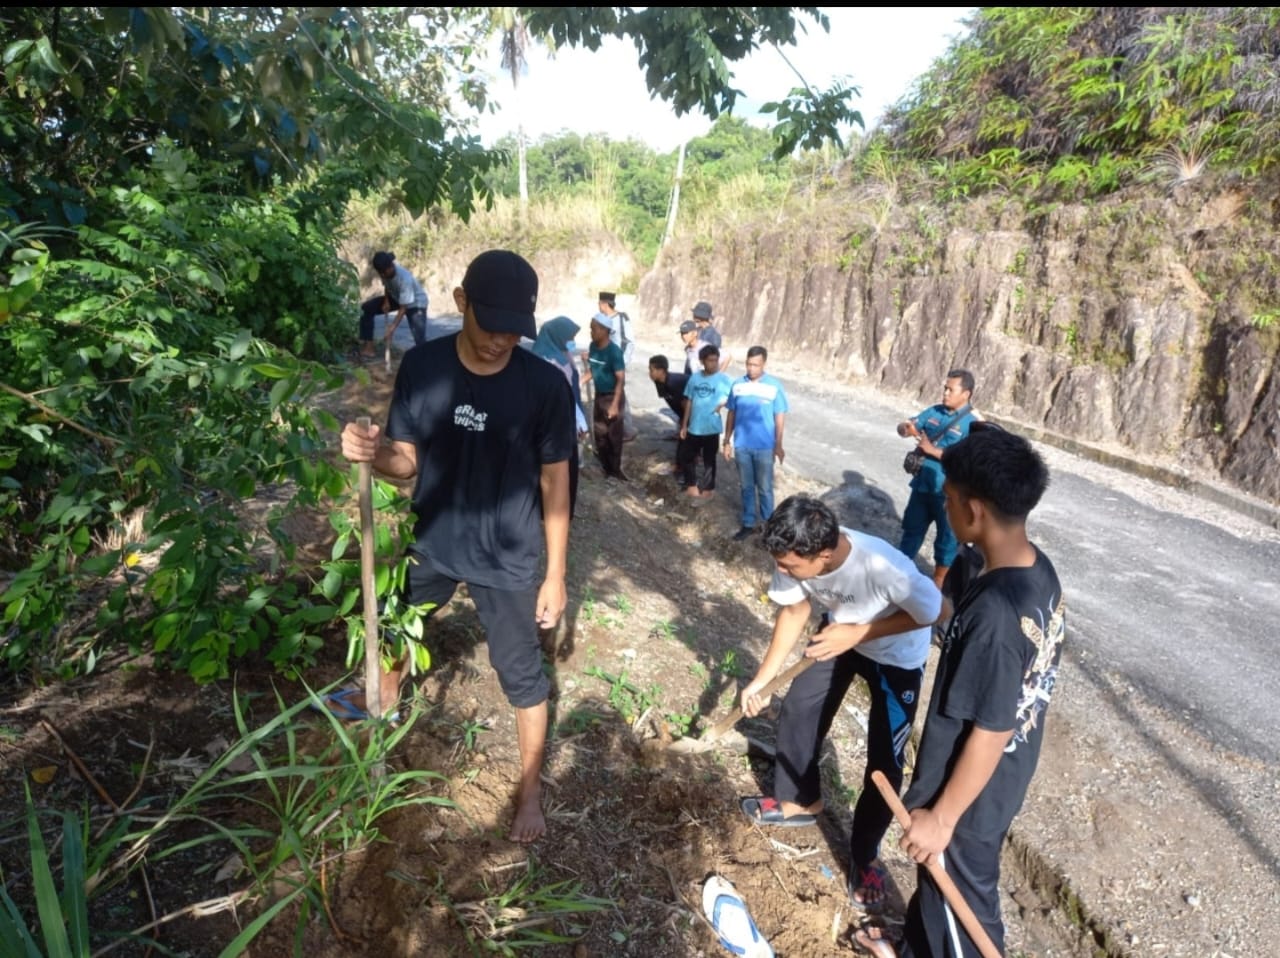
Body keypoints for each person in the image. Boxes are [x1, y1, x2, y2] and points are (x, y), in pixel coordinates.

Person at [338, 249, 573, 844]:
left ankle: (529, 793)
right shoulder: (424, 367)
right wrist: (373, 454)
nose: (500, 341)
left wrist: (556, 574)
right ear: (461, 302)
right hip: (434, 539)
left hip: (508, 558)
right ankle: (383, 698)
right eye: (490, 326)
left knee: (523, 677)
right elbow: (405, 461)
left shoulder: (544, 386)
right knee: (393, 626)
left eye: (513, 331)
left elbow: (556, 481)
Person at [852, 425, 1063, 958]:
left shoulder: (993, 616)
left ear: (974, 510)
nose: (944, 510)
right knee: (937, 890)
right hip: (999, 776)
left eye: (947, 500)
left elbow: (992, 732)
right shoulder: (1037, 570)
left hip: (968, 792)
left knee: (964, 902)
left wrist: (942, 818)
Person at [739, 495, 941, 915]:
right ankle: (799, 801)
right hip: (839, 637)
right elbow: (795, 611)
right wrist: (763, 679)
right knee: (799, 707)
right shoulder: (792, 556)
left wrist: (860, 633)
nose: (782, 570)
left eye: (791, 566)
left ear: (825, 554)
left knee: (885, 760)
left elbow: (935, 611)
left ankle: (865, 855)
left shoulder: (885, 567)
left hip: (896, 656)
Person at [897, 370, 978, 589]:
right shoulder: (934, 412)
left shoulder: (972, 425)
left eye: (951, 389)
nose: (945, 393)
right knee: (910, 532)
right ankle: (898, 578)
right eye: (945, 388)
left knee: (947, 543)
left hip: (949, 496)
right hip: (922, 488)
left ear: (966, 394)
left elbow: (968, 460)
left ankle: (938, 586)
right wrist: (906, 428)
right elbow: (908, 426)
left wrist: (932, 451)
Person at [724, 345, 789, 541]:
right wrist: (727, 440)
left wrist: (778, 444)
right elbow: (731, 413)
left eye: (756, 365)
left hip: (764, 447)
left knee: (765, 488)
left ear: (764, 364)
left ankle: (769, 526)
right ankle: (748, 523)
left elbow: (779, 416)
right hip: (742, 445)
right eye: (749, 364)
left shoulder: (774, 386)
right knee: (746, 486)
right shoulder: (737, 385)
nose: (751, 368)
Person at [532, 316, 590, 517]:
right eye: (569, 337)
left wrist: (580, 420)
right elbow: (557, 397)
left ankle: (562, 511)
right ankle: (549, 512)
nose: (571, 341)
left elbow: (573, 391)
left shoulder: (563, 354)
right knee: (554, 468)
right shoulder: (544, 360)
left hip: (570, 418)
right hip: (555, 423)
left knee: (569, 468)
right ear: (556, 336)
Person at [677, 343, 731, 497]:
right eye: (710, 360)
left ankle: (708, 489)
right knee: (686, 456)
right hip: (694, 426)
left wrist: (722, 403)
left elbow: (733, 398)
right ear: (702, 361)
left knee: (709, 460)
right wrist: (684, 424)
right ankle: (692, 485)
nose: (713, 364)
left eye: (716, 360)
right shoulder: (695, 378)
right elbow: (689, 401)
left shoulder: (723, 380)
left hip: (711, 427)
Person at [359, 250, 429, 358]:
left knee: (419, 337)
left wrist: (391, 328)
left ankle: (424, 361)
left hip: (416, 303)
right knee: (367, 308)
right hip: (397, 298)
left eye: (391, 266)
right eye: (386, 270)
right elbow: (387, 286)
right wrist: (386, 301)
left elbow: (403, 308)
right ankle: (369, 348)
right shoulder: (384, 274)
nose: (391, 269)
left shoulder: (405, 279)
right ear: (381, 272)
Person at [587, 311, 628, 480]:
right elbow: (593, 369)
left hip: (613, 396)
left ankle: (615, 470)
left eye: (594, 329)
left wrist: (614, 404)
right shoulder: (592, 347)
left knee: (614, 436)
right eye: (591, 329)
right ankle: (605, 468)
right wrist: (580, 380)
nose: (591, 332)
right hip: (600, 395)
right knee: (600, 434)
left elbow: (620, 379)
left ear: (604, 330)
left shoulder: (614, 352)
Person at [598, 291, 638, 442]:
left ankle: (627, 429)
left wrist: (622, 362)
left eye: (600, 304)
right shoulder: (604, 320)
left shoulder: (621, 319)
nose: (599, 307)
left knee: (618, 394)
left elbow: (629, 342)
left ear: (605, 304)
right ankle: (614, 426)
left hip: (617, 364)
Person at [691, 300, 731, 373]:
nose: (692, 316)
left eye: (694, 314)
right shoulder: (696, 331)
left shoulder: (714, 336)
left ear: (699, 317)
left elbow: (715, 358)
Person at [648, 354, 690, 425]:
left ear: (661, 371)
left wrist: (684, 423)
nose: (649, 373)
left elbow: (686, 404)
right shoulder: (658, 382)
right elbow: (672, 403)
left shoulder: (672, 383)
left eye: (652, 370)